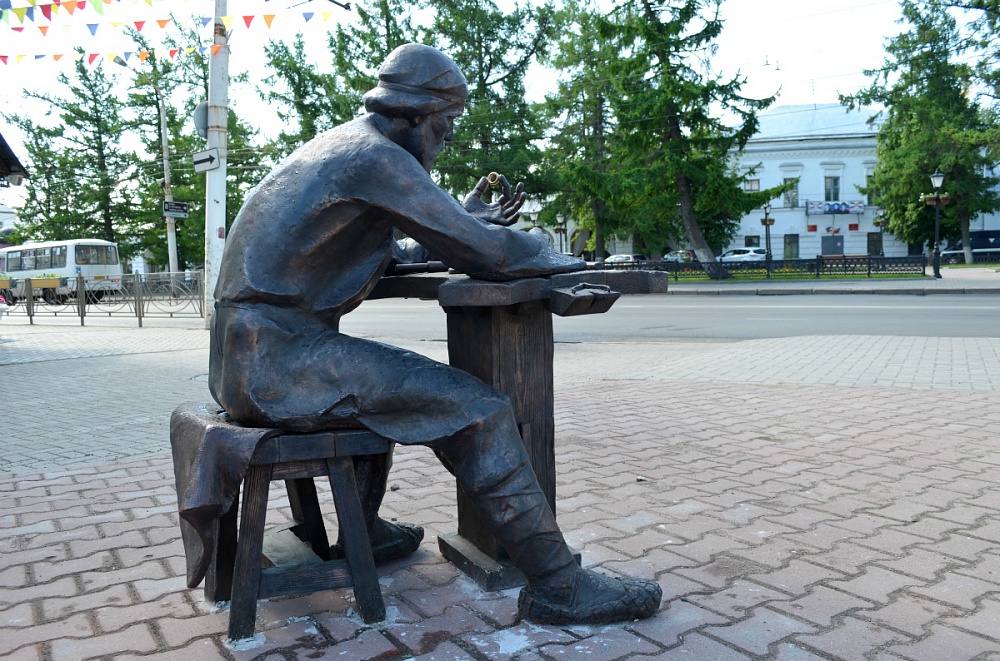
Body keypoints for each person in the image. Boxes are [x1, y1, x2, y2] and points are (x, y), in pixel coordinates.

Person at [209, 43, 661, 624]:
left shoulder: (344, 147)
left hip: (247, 358)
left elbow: (389, 251)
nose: (444, 142)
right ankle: (558, 583)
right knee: (478, 408)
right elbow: (490, 254)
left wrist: (459, 218)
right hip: (277, 364)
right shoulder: (375, 158)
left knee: (396, 383)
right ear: (418, 117)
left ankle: (362, 530)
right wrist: (546, 251)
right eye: (445, 129)